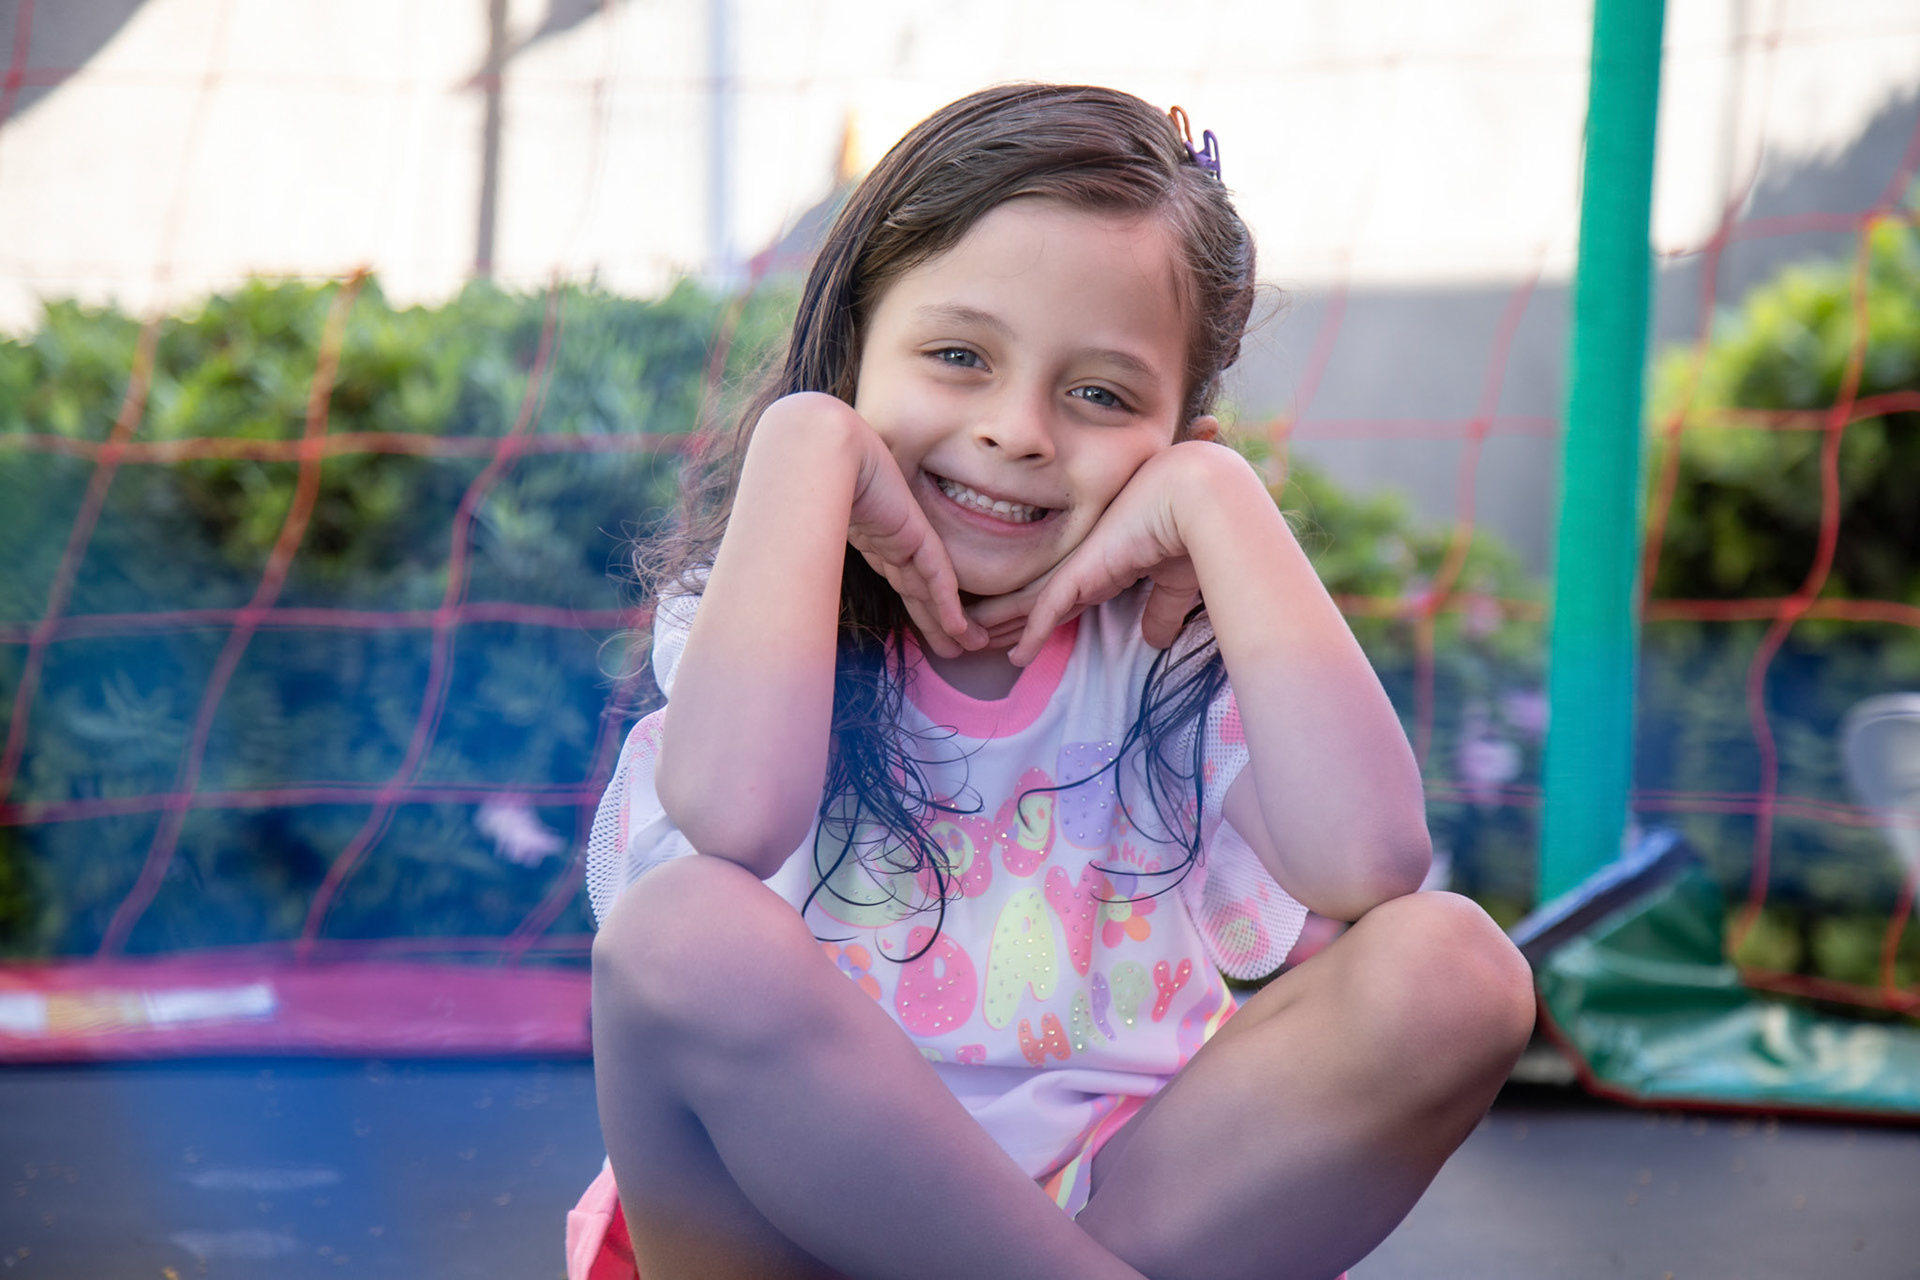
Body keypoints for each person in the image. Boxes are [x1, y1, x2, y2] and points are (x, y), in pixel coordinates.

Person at [569, 83, 1535, 1280]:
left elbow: (1372, 860)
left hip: (1105, 1213)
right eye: (958, 355)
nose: (1019, 429)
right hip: (780, 1230)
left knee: (1456, 968)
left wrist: (1223, 501)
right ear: (855, 351)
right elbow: (732, 816)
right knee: (677, 931)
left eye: (1101, 394)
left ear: (1175, 434)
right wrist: (804, 443)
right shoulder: (770, 599)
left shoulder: (1164, 654)